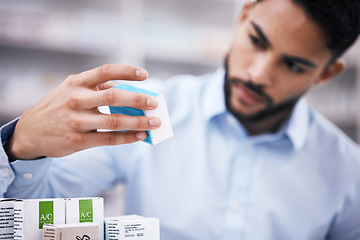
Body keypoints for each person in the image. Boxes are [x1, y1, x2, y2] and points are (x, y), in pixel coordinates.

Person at [1, 0, 360, 239]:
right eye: (257, 40)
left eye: (293, 65)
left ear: (326, 74)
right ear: (244, 15)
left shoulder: (348, 172)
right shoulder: (144, 110)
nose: (257, 74)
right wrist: (22, 146)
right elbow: (28, 220)